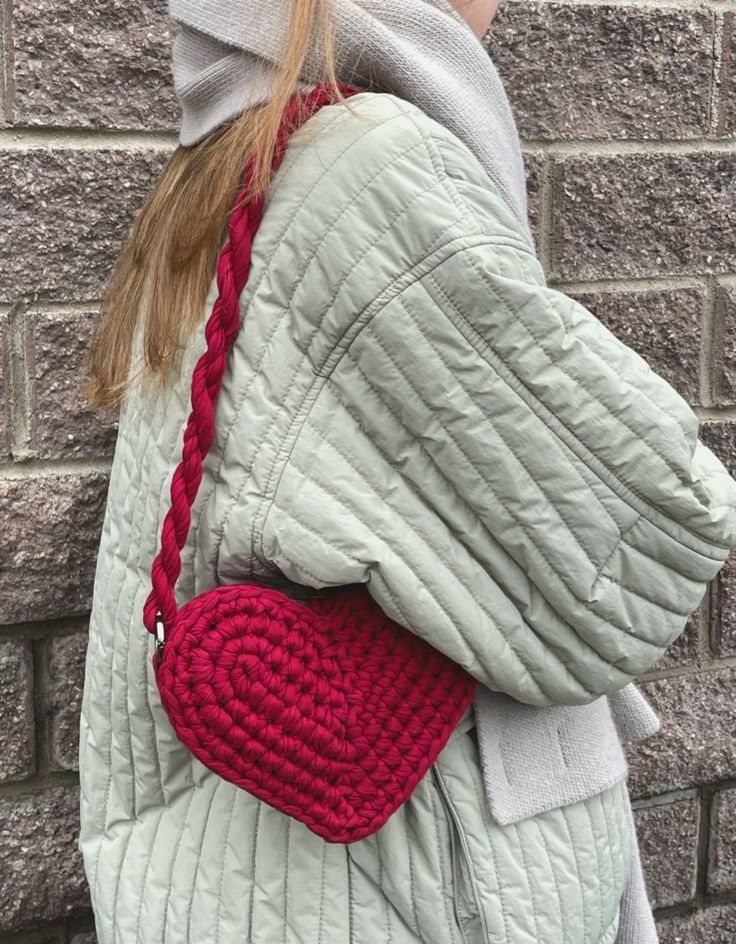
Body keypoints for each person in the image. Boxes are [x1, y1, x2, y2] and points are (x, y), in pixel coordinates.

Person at [78, 1, 736, 942]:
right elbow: (643, 542)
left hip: (260, 876)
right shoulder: (371, 164)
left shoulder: (230, 148)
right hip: (405, 884)